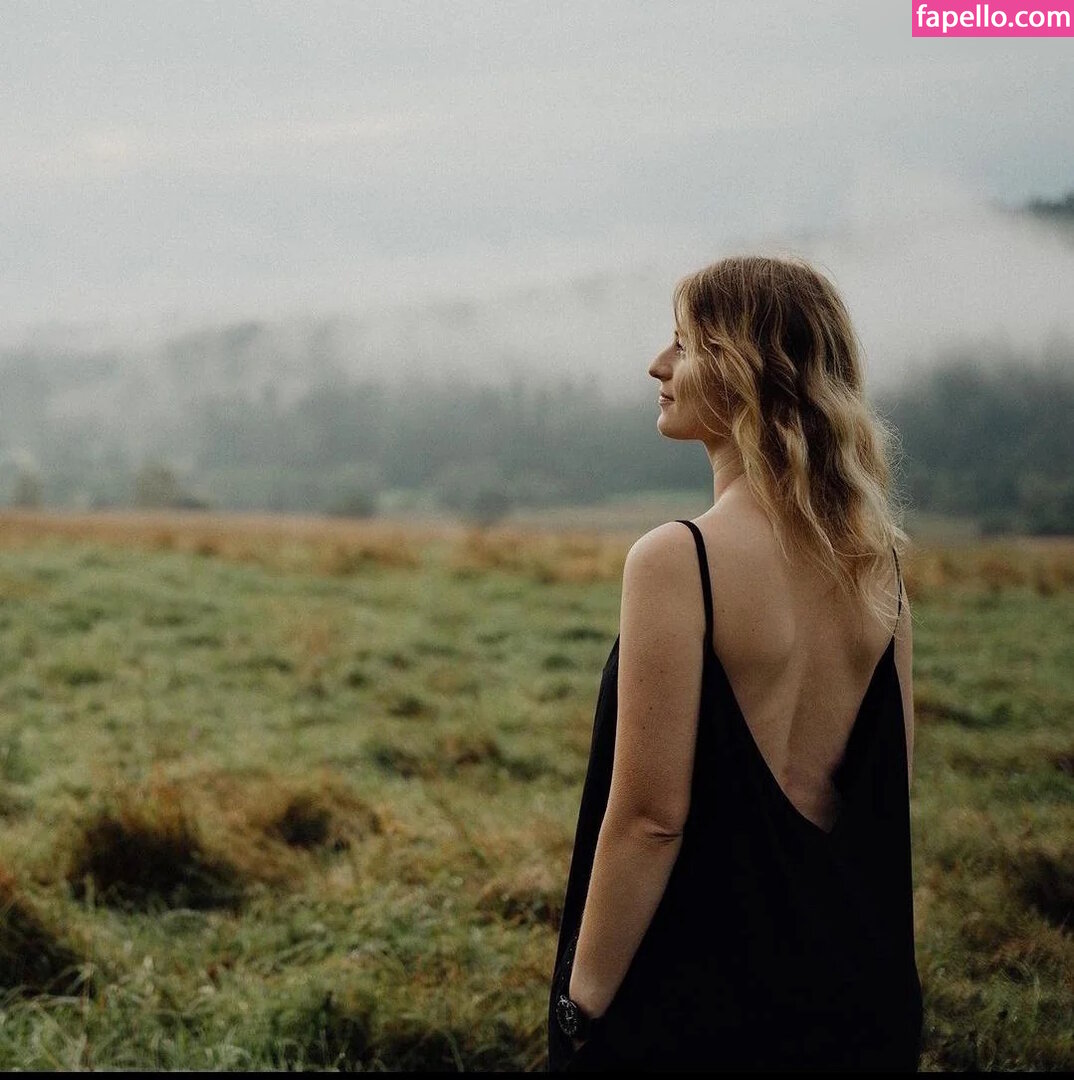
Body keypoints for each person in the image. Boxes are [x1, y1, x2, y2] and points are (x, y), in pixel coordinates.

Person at [547, 255, 923, 1072]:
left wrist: (582, 1004)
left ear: (747, 368)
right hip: (855, 995)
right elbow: (887, 796)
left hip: (698, 999)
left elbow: (650, 820)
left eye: (683, 344)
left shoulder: (677, 558)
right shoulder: (877, 566)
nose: (658, 365)